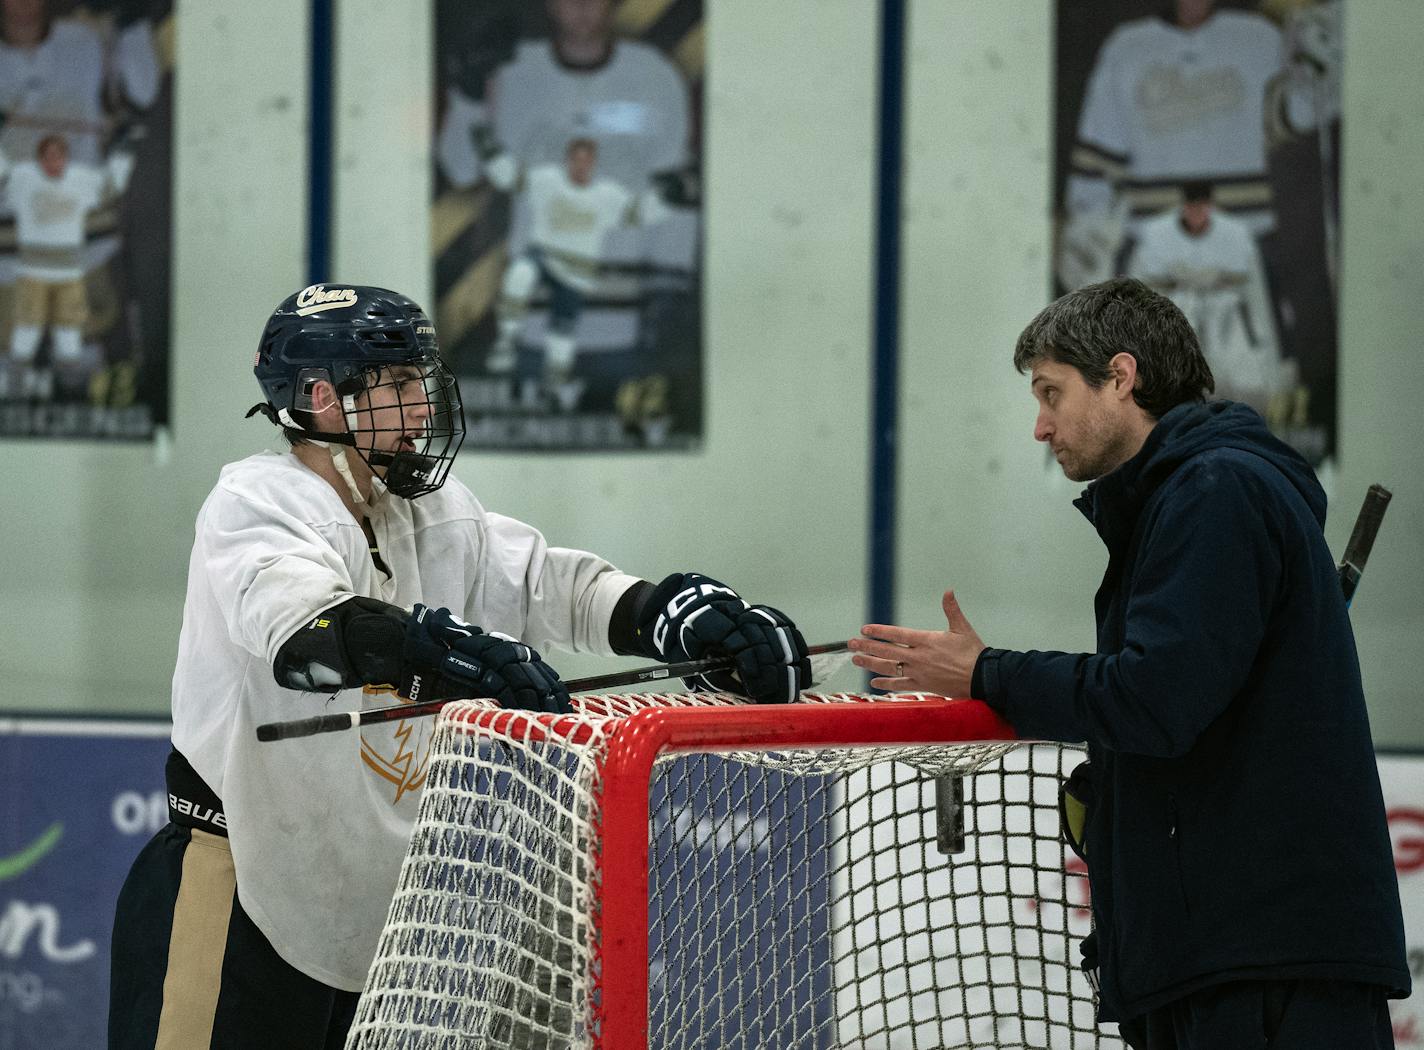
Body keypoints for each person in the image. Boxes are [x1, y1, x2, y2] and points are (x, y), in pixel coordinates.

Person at [107, 284, 811, 1050]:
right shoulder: (258, 501)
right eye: (399, 385)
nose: (422, 407)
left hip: (365, 927)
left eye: (423, 382)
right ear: (322, 398)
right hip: (230, 891)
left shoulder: (431, 514)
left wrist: (668, 616)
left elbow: (552, 584)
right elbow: (304, 629)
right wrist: (433, 655)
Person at [849, 277, 1408, 1048]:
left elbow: (1155, 699)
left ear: (1121, 375)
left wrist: (987, 672)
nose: (1040, 427)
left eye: (1051, 393)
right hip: (1230, 956)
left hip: (1260, 966)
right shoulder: (1195, 495)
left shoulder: (1216, 491)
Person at [1057, 0, 1284, 290]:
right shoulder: (1127, 47)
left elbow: (1301, 128)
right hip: (1155, 249)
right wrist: (1086, 237)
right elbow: (1096, 162)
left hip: (1249, 240)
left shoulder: (1262, 39)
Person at [486, 136, 668, 382]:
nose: (581, 166)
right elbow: (512, 178)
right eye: (576, 160)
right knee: (520, 273)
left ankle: (556, 380)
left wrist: (666, 198)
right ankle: (506, 341)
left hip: (576, 270)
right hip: (544, 254)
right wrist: (492, 155)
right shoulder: (548, 180)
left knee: (563, 330)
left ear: (593, 163)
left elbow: (638, 213)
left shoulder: (606, 195)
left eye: (586, 160)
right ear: (568, 161)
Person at [1128, 180, 1293, 420]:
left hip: (1227, 322)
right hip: (1173, 319)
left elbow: (1257, 300)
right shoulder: (1156, 235)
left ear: (1210, 207)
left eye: (1202, 207)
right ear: (1183, 207)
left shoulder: (1235, 235)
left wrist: (1268, 356)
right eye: (1191, 207)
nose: (1197, 214)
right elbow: (1137, 290)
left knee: (1236, 388)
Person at [2, 133, 133, 395]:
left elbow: (111, 187)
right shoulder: (23, 178)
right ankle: (18, 380)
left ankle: (70, 385)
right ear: (39, 159)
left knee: (68, 326)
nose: (54, 163)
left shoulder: (80, 179)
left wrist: (122, 154)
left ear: (66, 158)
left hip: (68, 273)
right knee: (28, 325)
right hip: (32, 271)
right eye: (48, 157)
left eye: (58, 156)